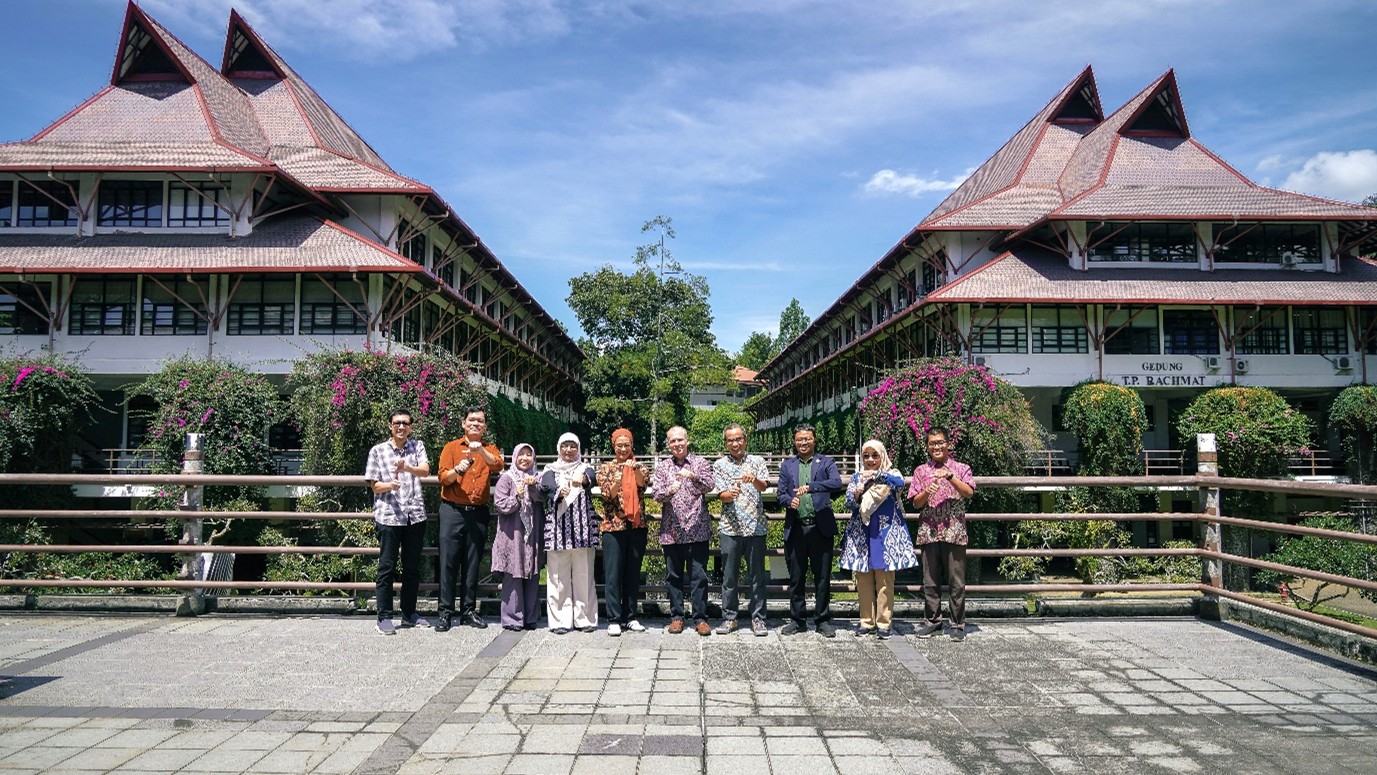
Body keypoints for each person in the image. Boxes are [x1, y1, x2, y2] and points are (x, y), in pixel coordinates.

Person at [841, 439, 919, 639]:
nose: (870, 460)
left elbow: (900, 484)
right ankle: (866, 622)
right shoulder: (857, 477)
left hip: (885, 533)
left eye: (874, 455)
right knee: (864, 581)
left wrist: (877, 475)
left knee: (885, 581)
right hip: (863, 533)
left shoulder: (891, 474)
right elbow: (848, 503)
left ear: (882, 455)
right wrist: (858, 493)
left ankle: (884, 623)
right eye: (866, 455)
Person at [363, 409, 431, 635]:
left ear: (411, 426)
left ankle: (409, 613)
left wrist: (407, 468)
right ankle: (383, 616)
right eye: (397, 423)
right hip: (389, 516)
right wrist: (389, 485)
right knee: (387, 567)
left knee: (412, 567)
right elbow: (374, 485)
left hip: (415, 515)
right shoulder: (378, 451)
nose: (401, 427)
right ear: (390, 425)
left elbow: (425, 470)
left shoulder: (417, 446)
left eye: (405, 423)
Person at [435, 407, 503, 631]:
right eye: (471, 420)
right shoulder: (451, 447)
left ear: (485, 426)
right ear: (463, 423)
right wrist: (458, 470)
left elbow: (498, 464)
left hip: (478, 511)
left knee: (473, 563)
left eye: (480, 421)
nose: (475, 423)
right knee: (448, 562)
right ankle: (445, 612)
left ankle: (468, 611)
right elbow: (443, 478)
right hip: (452, 510)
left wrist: (480, 452)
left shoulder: (489, 448)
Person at [907, 427, 977, 642]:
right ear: (927, 446)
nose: (936, 446)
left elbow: (969, 492)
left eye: (940, 442)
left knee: (956, 580)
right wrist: (926, 493)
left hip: (954, 530)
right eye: (931, 443)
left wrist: (950, 477)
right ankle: (933, 622)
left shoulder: (961, 468)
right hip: (929, 530)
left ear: (948, 444)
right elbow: (916, 503)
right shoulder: (920, 471)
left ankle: (957, 624)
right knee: (930, 580)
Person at [777, 424, 844, 637]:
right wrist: (789, 501)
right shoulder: (787, 465)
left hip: (820, 527)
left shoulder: (826, 462)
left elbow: (836, 483)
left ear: (814, 440)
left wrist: (812, 487)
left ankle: (822, 620)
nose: (803, 443)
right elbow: (780, 495)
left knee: (822, 577)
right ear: (794, 442)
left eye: (807, 439)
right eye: (799, 439)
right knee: (796, 578)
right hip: (796, 527)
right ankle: (797, 620)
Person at [651, 425, 715, 636]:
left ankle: (700, 618)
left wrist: (693, 476)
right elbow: (657, 495)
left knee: (699, 577)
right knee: (674, 576)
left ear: (687, 441)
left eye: (680, 440)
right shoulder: (662, 467)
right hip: (672, 530)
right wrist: (671, 489)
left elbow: (710, 485)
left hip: (697, 528)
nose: (677, 444)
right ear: (668, 444)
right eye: (672, 441)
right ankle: (677, 617)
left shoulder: (700, 463)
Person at [711, 423, 770, 636]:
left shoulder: (757, 461)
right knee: (729, 578)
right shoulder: (719, 465)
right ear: (725, 443)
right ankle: (730, 618)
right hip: (730, 528)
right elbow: (721, 495)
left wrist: (753, 479)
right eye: (730, 440)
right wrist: (731, 493)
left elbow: (764, 487)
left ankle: (758, 619)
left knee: (757, 577)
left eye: (738, 439)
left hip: (756, 527)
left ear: (745, 440)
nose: (735, 444)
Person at [540, 432, 599, 634]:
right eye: (564, 446)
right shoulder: (550, 469)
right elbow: (546, 487)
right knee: (557, 577)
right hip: (557, 530)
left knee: (585, 575)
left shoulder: (585, 468)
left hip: (583, 529)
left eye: (573, 446)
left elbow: (592, 478)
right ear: (558, 448)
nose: (568, 450)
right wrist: (558, 491)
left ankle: (586, 619)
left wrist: (582, 480)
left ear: (578, 448)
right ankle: (559, 621)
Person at [596, 428, 650, 637]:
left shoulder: (640, 466)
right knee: (613, 574)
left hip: (636, 526)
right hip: (613, 526)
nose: (623, 449)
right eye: (619, 445)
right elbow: (607, 494)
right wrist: (619, 476)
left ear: (631, 446)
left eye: (626, 445)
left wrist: (633, 470)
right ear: (613, 446)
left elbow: (642, 485)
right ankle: (613, 618)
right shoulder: (606, 468)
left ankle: (631, 616)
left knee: (632, 573)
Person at [491, 443, 543, 632]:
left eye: (529, 454)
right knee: (513, 573)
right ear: (514, 457)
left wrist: (534, 486)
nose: (525, 458)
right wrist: (518, 496)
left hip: (532, 534)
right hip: (512, 533)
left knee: (532, 573)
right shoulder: (506, 478)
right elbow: (501, 504)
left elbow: (543, 497)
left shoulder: (537, 477)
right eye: (521, 454)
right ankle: (513, 619)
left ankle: (530, 618)